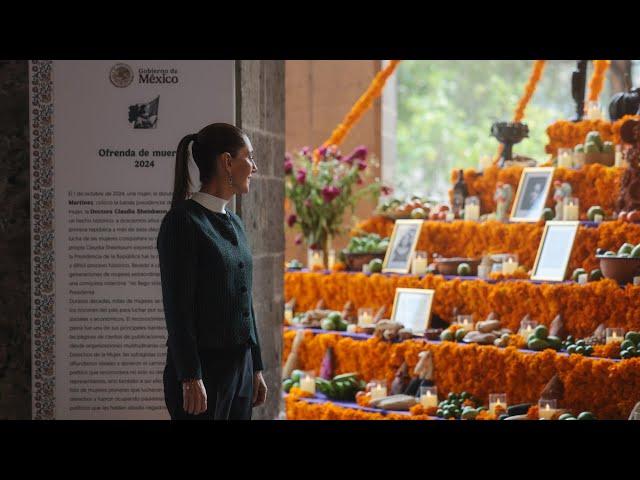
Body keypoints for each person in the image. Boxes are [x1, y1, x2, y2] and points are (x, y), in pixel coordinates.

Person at [157, 123, 267, 420]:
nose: (254, 167)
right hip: (204, 372)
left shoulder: (236, 222)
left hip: (240, 368)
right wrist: (190, 375)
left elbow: (245, 299)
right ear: (227, 162)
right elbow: (177, 308)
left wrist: (255, 366)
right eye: (249, 157)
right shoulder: (182, 221)